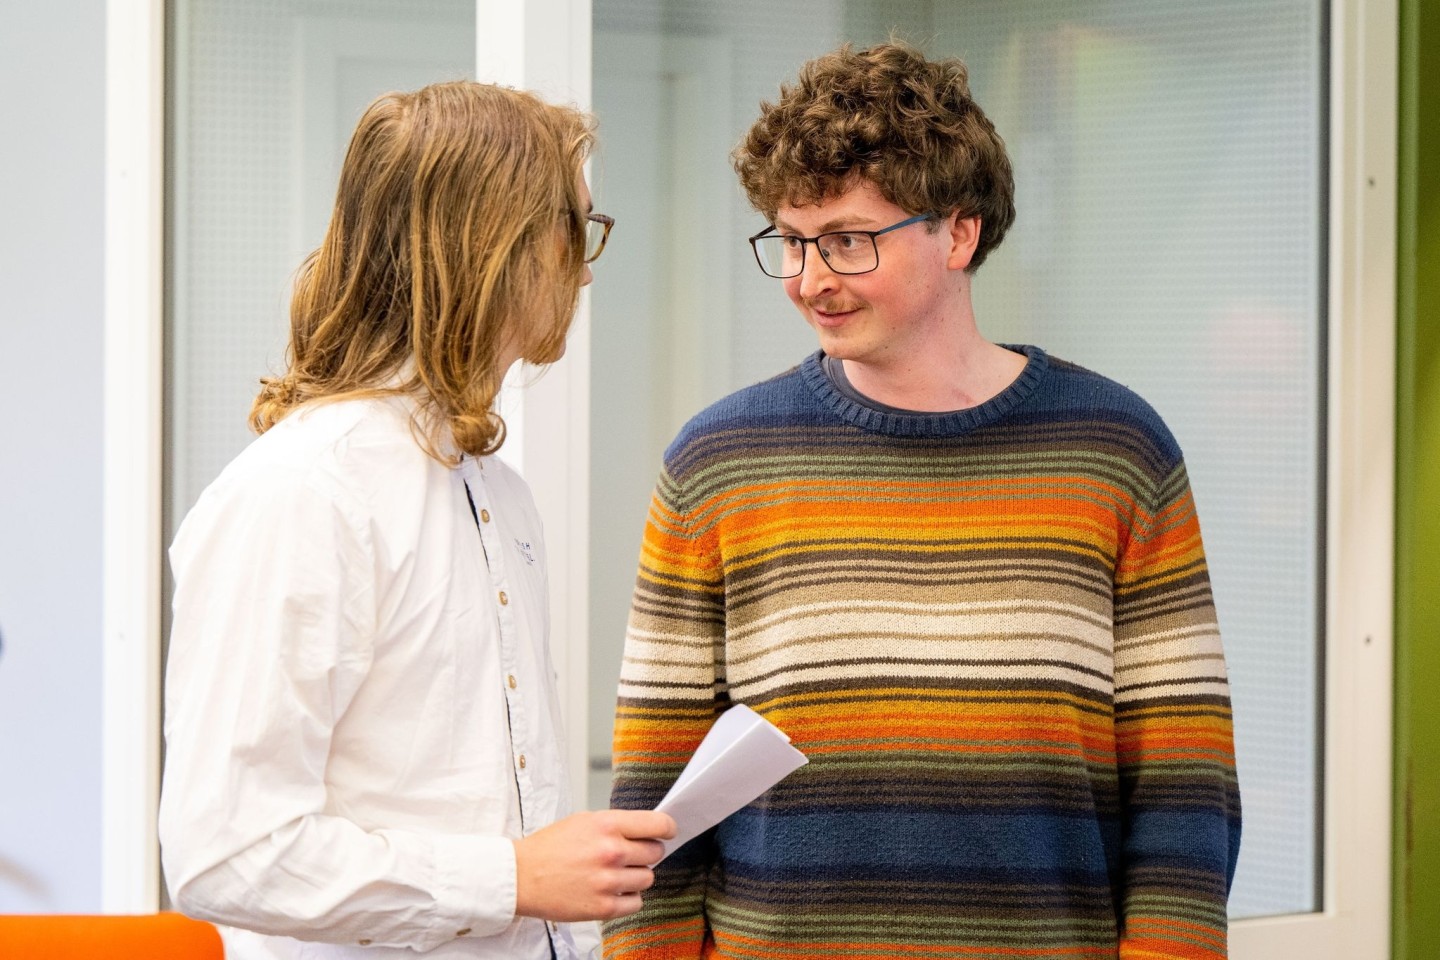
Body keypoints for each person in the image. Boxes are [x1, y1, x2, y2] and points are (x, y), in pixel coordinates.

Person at [604, 41, 1240, 960]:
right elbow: (655, 789)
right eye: (790, 239)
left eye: (849, 241)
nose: (809, 277)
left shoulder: (1115, 450)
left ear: (958, 232)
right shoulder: (718, 461)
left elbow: (1186, 783)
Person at [159, 80, 674, 960]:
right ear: (499, 244)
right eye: (576, 231)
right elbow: (226, 852)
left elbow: (509, 820)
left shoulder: (496, 492)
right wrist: (510, 879)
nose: (586, 270)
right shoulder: (303, 496)